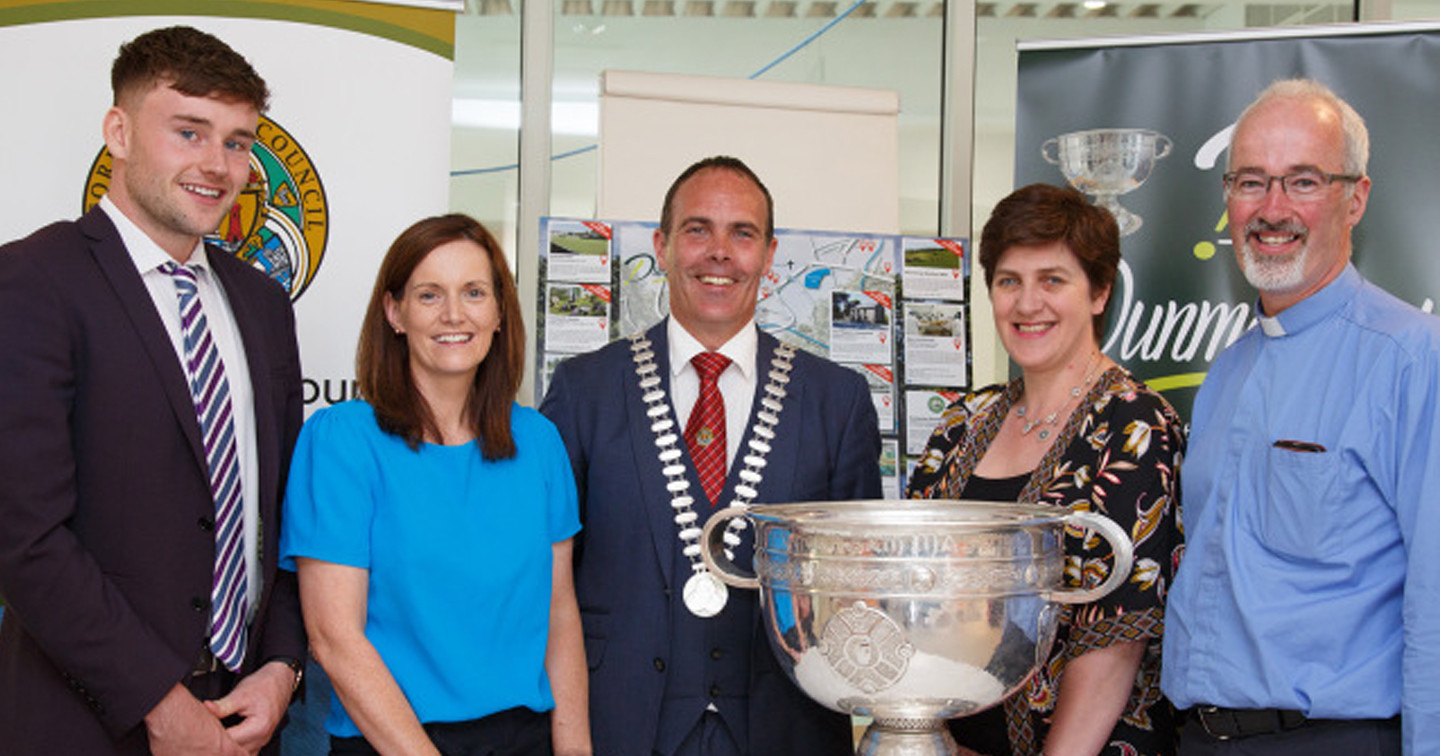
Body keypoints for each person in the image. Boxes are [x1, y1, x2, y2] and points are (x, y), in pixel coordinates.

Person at [0, 26, 306, 756]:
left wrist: (282, 666)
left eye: (237, 142)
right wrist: (158, 702)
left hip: (241, 712)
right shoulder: (33, 283)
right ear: (119, 132)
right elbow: (24, 534)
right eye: (189, 132)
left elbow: (285, 510)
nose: (218, 164)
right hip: (84, 719)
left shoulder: (262, 305)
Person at [540, 155, 882, 756]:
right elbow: (546, 581)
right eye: (698, 229)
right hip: (616, 723)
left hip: (787, 730)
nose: (719, 252)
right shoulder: (583, 390)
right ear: (662, 245)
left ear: (770, 254)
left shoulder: (838, 401)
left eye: (742, 233)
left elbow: (857, 586)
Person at [1162, 79, 1440, 756]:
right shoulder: (1229, 369)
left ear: (1357, 198)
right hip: (1200, 737)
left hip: (1333, 741)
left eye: (1304, 181)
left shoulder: (1412, 360)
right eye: (1251, 181)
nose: (1272, 208)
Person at [280, 214, 589, 756]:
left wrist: (575, 750)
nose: (454, 314)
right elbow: (334, 638)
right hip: (390, 740)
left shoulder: (539, 442)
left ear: (498, 313)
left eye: (474, 292)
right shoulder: (342, 443)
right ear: (394, 312)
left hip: (526, 738)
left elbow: (559, 614)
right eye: (429, 295)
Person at [907, 183, 1185, 756]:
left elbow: (1117, 641)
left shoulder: (1134, 423)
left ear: (1100, 292)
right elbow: (911, 595)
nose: (1027, 303)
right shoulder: (961, 425)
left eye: (1052, 280)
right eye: (1010, 281)